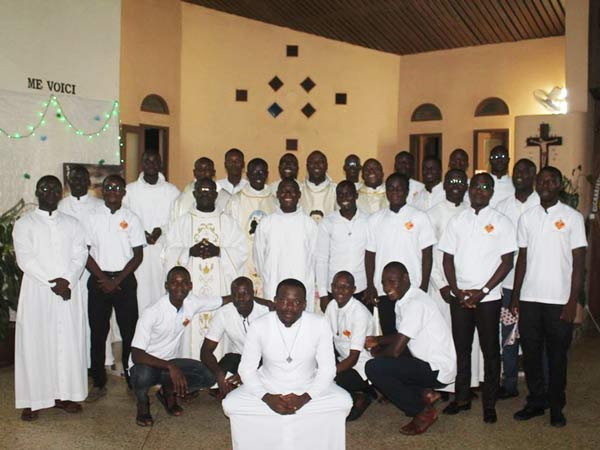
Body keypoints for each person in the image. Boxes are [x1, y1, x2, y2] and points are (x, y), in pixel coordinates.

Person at [222, 279, 352, 450]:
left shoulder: (319, 324)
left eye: (296, 302)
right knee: (231, 404)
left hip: (308, 384)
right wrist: (267, 398)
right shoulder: (259, 325)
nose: (289, 307)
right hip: (268, 384)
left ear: (304, 304)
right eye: (283, 301)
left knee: (343, 402)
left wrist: (305, 398)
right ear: (275, 301)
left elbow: (327, 369)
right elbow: (246, 370)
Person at [511, 166, 587, 427]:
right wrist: (516, 296)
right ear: (536, 184)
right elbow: (522, 258)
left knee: (556, 356)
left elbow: (579, 263)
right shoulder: (527, 218)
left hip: (559, 301)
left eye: (551, 181)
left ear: (559, 185)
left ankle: (556, 406)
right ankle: (536, 401)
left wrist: (572, 301)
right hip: (530, 299)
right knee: (531, 355)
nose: (545, 184)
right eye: (541, 181)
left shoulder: (572, 218)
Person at [438, 173, 516, 423]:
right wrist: (456, 290)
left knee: (490, 350)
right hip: (461, 297)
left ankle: (489, 404)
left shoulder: (502, 222)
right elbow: (447, 259)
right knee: (461, 349)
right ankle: (461, 398)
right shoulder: (457, 221)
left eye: (484, 187)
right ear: (469, 190)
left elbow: (507, 262)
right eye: (475, 187)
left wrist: (483, 291)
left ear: (491, 192)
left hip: (489, 298)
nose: (479, 191)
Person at [13, 175, 88, 421]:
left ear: (61, 193)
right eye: (45, 188)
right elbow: (25, 258)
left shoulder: (73, 224)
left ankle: (64, 395)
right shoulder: (24, 224)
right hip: (37, 292)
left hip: (68, 292)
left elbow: (80, 254)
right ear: (37, 192)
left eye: (55, 188)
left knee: (66, 342)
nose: (50, 192)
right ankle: (33, 399)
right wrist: (52, 282)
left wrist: (68, 280)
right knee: (35, 343)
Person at [365, 262, 456, 435]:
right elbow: (403, 335)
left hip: (437, 368)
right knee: (390, 357)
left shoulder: (415, 304)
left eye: (392, 281)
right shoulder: (406, 299)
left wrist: (377, 353)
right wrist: (377, 340)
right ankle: (425, 393)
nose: (387, 287)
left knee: (374, 367)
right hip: (427, 362)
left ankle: (423, 411)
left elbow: (395, 351)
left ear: (406, 278)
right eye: (384, 283)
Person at [130, 266, 226, 426]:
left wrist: (262, 302)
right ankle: (142, 404)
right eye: (174, 283)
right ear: (166, 286)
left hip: (170, 362)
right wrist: (170, 367)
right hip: (145, 364)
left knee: (208, 376)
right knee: (143, 375)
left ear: (190, 286)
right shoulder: (152, 311)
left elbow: (226, 299)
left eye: (184, 283)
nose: (179, 287)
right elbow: (136, 354)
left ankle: (167, 392)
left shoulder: (192, 303)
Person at [164, 177, 247, 360]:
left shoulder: (227, 222)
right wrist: (189, 251)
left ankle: (218, 372)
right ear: (194, 194)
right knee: (190, 331)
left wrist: (219, 251)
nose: (205, 195)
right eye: (201, 191)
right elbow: (168, 252)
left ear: (216, 195)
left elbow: (241, 252)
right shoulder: (183, 222)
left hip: (219, 289)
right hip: (191, 292)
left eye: (209, 191)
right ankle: (190, 371)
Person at [83, 175, 145, 401]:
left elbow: (138, 256)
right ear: (102, 191)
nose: (112, 191)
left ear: (123, 193)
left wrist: (117, 281)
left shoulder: (132, 218)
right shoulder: (91, 217)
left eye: (117, 188)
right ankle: (99, 382)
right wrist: (104, 279)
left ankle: (131, 378)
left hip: (124, 281)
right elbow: (84, 253)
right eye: (108, 187)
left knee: (129, 333)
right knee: (98, 333)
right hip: (98, 281)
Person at [426, 169, 480, 399]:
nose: (456, 185)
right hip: (441, 287)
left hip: (467, 286)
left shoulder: (472, 211)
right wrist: (442, 284)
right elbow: (428, 254)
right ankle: (445, 385)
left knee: (467, 339)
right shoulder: (433, 214)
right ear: (444, 185)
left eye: (460, 181)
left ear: (466, 186)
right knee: (444, 338)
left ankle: (467, 383)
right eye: (452, 181)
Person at [495, 159, 540, 399]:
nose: (519, 175)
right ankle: (510, 384)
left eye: (524, 171)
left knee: (534, 337)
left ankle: (539, 387)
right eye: (516, 171)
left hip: (536, 286)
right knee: (508, 337)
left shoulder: (542, 204)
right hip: (508, 284)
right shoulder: (502, 207)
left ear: (534, 175)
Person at [58, 165, 111, 368]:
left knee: (96, 320)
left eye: (82, 178)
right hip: (69, 271)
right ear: (68, 182)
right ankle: (74, 360)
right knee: (71, 318)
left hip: (94, 271)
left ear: (88, 182)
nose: (78, 182)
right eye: (74, 178)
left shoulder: (100, 205)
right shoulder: (60, 206)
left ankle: (95, 363)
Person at [365, 173, 436, 305]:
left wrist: (424, 285)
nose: (395, 192)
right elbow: (370, 255)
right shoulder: (374, 220)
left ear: (407, 191)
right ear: (386, 191)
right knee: (387, 319)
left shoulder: (420, 217)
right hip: (384, 289)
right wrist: (370, 285)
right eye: (391, 188)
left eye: (399, 188)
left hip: (413, 287)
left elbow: (427, 255)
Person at [123, 151, 180, 313]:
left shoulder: (172, 191)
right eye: (147, 161)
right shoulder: (130, 190)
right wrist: (139, 232)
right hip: (137, 252)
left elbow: (177, 220)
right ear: (142, 164)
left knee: (161, 291)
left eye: (155, 161)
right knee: (139, 294)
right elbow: (123, 219)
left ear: (160, 164)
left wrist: (161, 230)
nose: (151, 164)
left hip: (162, 250)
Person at [254, 179, 318, 311]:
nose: (288, 194)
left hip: (302, 283)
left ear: (299, 195)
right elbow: (259, 257)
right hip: (273, 284)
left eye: (292, 191)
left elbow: (315, 259)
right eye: (283, 191)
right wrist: (269, 276)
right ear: (277, 195)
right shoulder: (266, 223)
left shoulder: (310, 224)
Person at [200, 277, 270, 398]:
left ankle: (242, 386)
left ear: (253, 293)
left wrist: (247, 373)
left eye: (245, 293)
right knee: (210, 375)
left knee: (270, 374)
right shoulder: (224, 313)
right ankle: (232, 386)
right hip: (239, 359)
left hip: (264, 360)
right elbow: (206, 351)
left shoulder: (266, 312)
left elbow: (275, 351)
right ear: (231, 296)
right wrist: (219, 374)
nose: (240, 298)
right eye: (236, 295)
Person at [324, 272, 375, 421]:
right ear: (331, 287)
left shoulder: (359, 313)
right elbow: (324, 340)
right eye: (336, 286)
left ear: (353, 289)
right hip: (343, 360)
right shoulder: (331, 306)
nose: (340, 290)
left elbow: (354, 358)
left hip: (362, 367)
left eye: (345, 287)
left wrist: (328, 373)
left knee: (328, 380)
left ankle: (361, 395)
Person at [316, 181, 369, 312]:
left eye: (348, 194)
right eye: (340, 194)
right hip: (335, 289)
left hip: (362, 287)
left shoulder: (368, 221)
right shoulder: (327, 222)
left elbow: (373, 256)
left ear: (356, 195)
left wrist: (372, 286)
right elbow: (321, 259)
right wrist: (323, 294)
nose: (344, 198)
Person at [226, 158, 275, 295]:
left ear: (267, 174)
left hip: (268, 259)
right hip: (243, 259)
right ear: (247, 174)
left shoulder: (275, 201)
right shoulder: (236, 200)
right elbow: (229, 234)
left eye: (262, 172)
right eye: (254, 172)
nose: (258, 175)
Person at [300, 150, 337, 222]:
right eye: (312, 162)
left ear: (326, 166)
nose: (316, 165)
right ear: (307, 166)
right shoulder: (299, 189)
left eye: (320, 162)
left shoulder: (335, 190)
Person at [216, 148, 249, 212]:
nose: (234, 164)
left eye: (238, 161)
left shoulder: (248, 186)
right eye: (230, 161)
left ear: (243, 164)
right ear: (225, 164)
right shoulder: (217, 186)